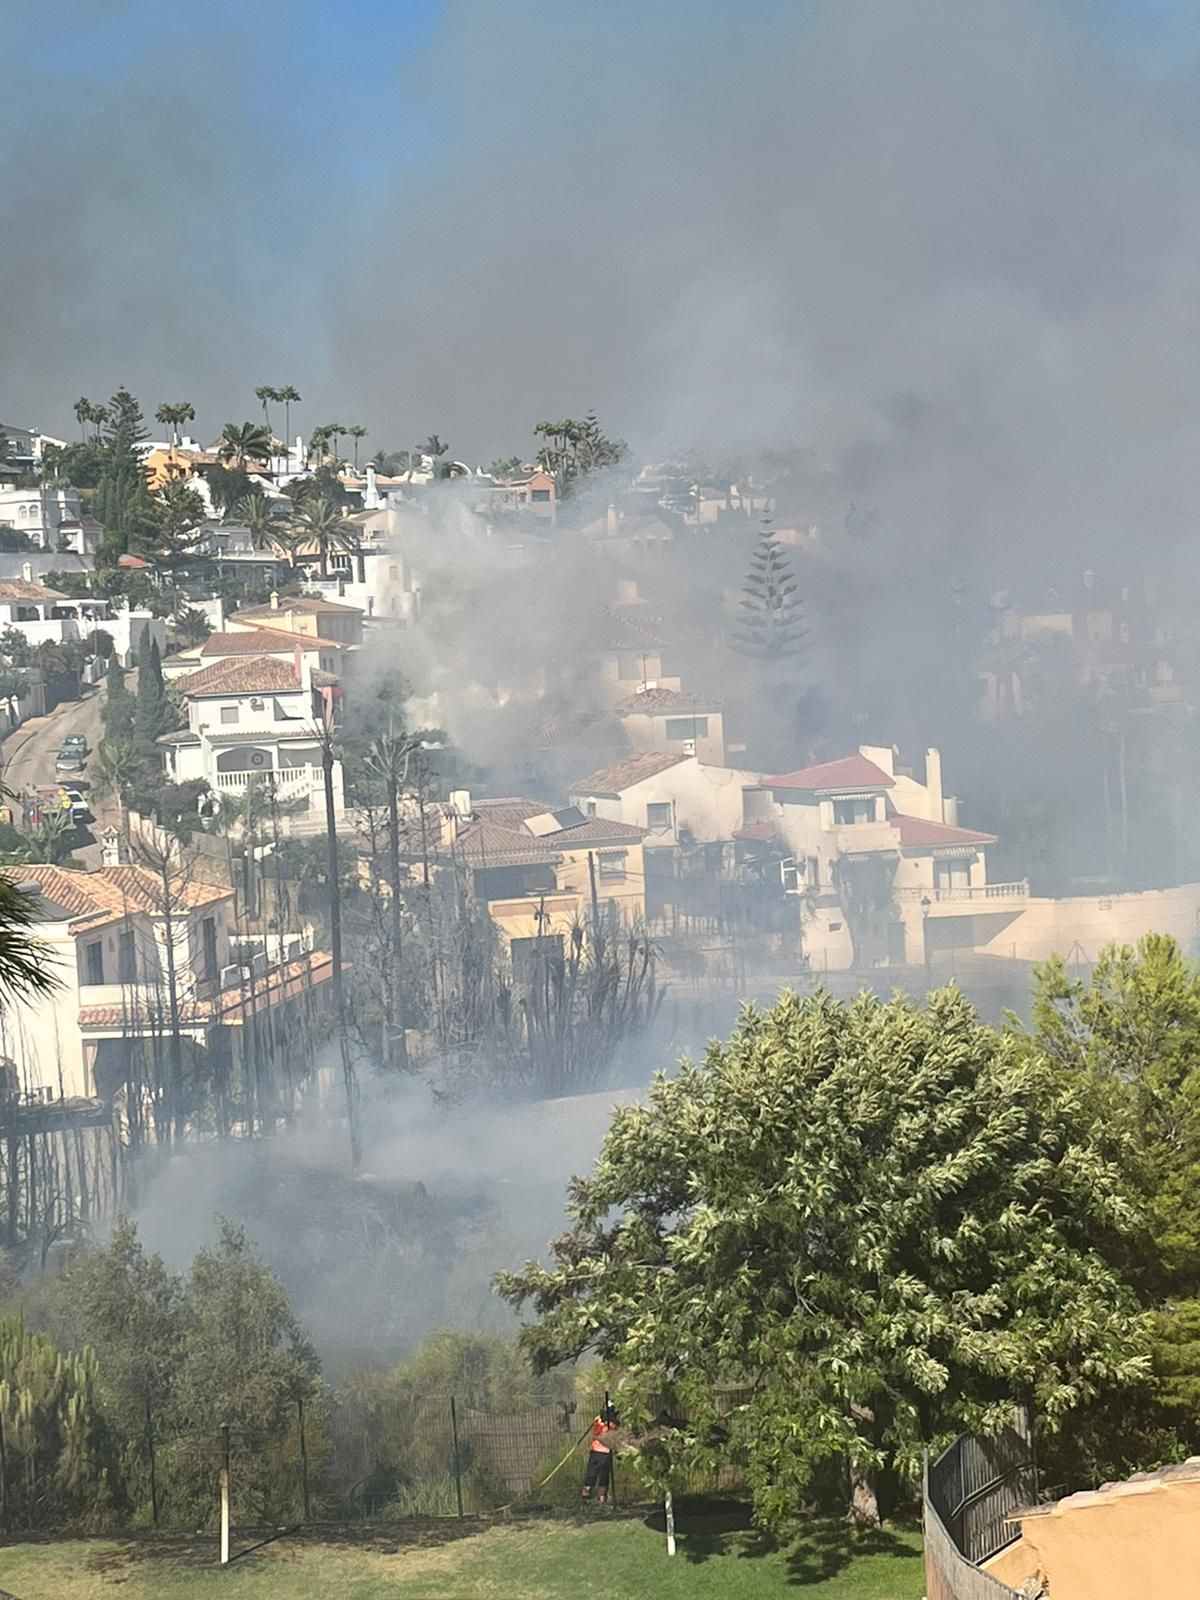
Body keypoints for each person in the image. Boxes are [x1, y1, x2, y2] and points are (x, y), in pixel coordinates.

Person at [581, 1403, 619, 1503]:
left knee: (596, 1476)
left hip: (599, 1452)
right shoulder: (610, 1423)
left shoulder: (601, 1420)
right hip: (602, 1453)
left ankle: (596, 1500)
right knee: (600, 1478)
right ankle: (596, 1500)